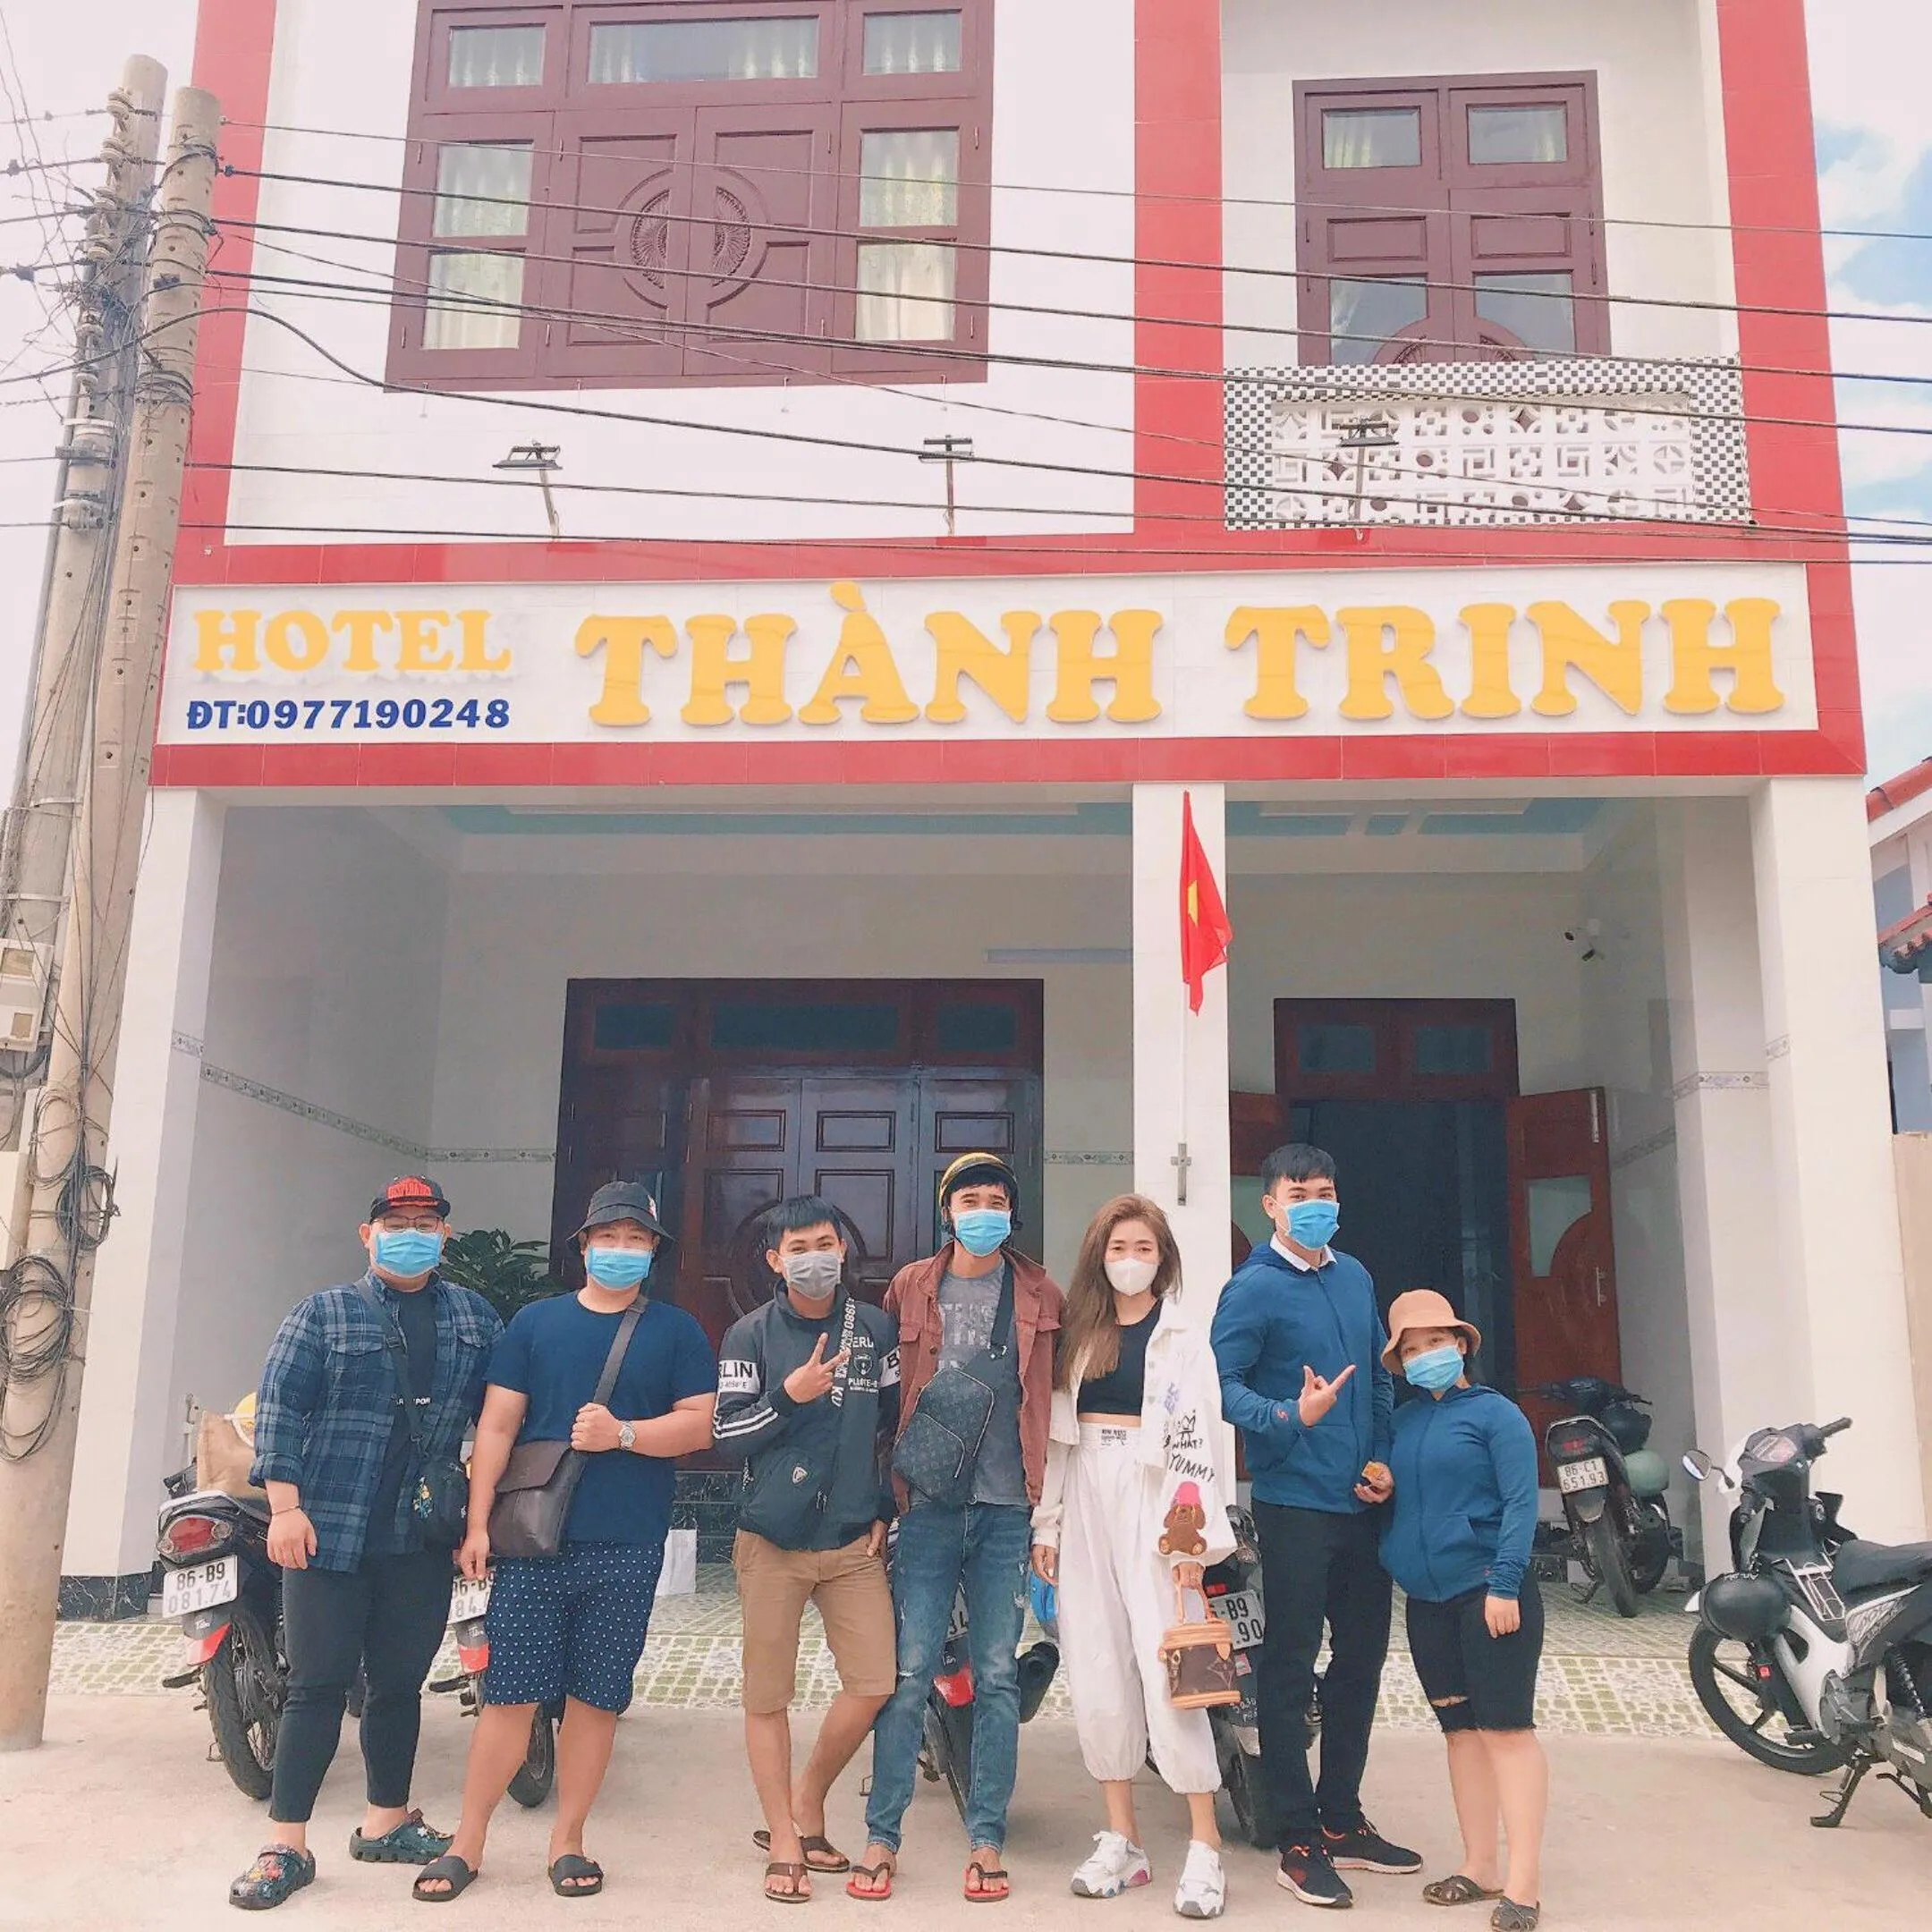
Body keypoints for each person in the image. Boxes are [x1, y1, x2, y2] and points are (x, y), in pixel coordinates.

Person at [413, 1181, 716, 1903]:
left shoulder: (676, 1331)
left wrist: (625, 1435)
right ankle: (468, 1840)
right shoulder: (535, 1325)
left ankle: (568, 1837)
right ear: (583, 1246)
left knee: (596, 1699)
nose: (621, 1250)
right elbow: (496, 1426)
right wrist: (478, 1522)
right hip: (531, 1542)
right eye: (607, 1238)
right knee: (509, 1697)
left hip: (628, 1540)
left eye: (635, 1240)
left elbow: (700, 1424)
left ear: (652, 1251)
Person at [230, 1177, 503, 1912]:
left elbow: (502, 1414)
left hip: (420, 1535)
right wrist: (284, 1507)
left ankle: (385, 1819)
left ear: (444, 1236)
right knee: (316, 1687)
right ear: (368, 1233)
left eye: (425, 1221)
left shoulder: (475, 1319)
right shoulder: (321, 1314)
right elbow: (281, 1408)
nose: (410, 1231)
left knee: (397, 1687)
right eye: (397, 1220)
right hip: (329, 1530)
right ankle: (285, 1843)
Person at [1208, 1143, 1419, 1911]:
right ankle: (1295, 1838)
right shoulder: (1252, 1289)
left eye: (1325, 1190)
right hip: (1293, 1503)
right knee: (1290, 1668)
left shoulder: (1356, 1275)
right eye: (1299, 1192)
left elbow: (1379, 1381)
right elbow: (1223, 1388)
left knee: (1361, 1661)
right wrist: (1287, 1416)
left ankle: (1341, 1816)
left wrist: (1384, 1459)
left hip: (1362, 1503)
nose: (1314, 1204)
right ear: (1269, 1204)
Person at [849, 1152, 1064, 1905]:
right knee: (907, 1675)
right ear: (948, 1210)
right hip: (930, 1506)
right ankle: (883, 1835)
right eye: (969, 1198)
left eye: (996, 1199)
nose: (983, 1210)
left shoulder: (1040, 1289)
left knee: (999, 1676)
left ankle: (987, 1835)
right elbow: (886, 1404)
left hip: (1009, 1507)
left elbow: (1055, 1402)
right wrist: (881, 1503)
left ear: (1012, 1211)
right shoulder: (912, 1284)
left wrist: (1052, 1515)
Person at [1030, 1195, 1235, 1920]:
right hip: (1086, 1494)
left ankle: (1205, 1845)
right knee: (1095, 1665)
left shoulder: (1181, 1335)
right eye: (1118, 1246)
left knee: (1172, 1670)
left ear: (1163, 1256)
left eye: (1143, 1246)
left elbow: (1198, 1444)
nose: (1130, 1259)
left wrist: (1192, 1544)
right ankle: (1123, 1838)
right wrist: (1047, 1529)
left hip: (1156, 1504)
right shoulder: (1079, 1335)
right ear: (1099, 1255)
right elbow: (1060, 1439)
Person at [714, 1196, 902, 1903]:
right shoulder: (749, 1336)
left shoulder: (874, 1328)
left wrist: (882, 1505)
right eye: (798, 1247)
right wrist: (788, 1396)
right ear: (775, 1260)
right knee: (768, 1695)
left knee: (873, 1682)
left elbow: (886, 1424)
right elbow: (725, 1435)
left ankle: (808, 1794)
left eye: (825, 1243)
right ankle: (786, 1839)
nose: (814, 1258)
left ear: (843, 1250)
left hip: (853, 1540)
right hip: (772, 1542)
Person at [1378, 1291, 1545, 1932]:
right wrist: (1381, 1486)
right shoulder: (1406, 1422)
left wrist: (1504, 1583)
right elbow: (1404, 1500)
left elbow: (1520, 1504)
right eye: (1411, 1349)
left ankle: (1523, 1886)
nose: (1425, 1357)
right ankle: (1479, 1867)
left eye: (1434, 1343)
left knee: (1507, 1733)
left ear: (1461, 1344)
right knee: (1460, 1735)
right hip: (1427, 1599)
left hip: (1489, 1594)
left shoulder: (1498, 1416)